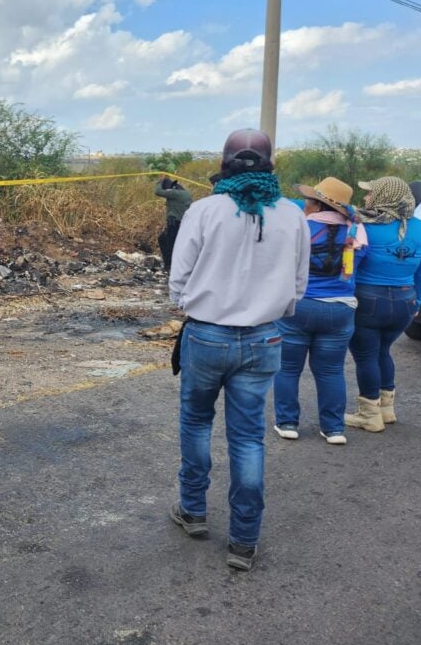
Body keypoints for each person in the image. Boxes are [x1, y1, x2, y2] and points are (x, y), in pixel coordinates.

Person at [168, 128, 309, 572]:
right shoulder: (293, 215)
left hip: (207, 336)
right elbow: (298, 286)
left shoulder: (204, 210)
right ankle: (243, 541)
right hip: (264, 337)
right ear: (271, 164)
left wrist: (198, 302)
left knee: (195, 423)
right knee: (248, 438)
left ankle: (193, 511)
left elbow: (179, 279)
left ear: (224, 163)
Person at [272, 178, 368, 445]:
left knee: (288, 369)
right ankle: (334, 428)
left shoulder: (301, 228)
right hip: (339, 310)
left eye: (308, 199)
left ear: (316, 204)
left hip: (299, 307)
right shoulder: (357, 232)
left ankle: (288, 423)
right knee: (331, 371)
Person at [345, 176, 421, 430]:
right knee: (383, 351)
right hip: (405, 301)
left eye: (371, 193)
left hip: (369, 299)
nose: (366, 198)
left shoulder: (364, 226)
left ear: (384, 195)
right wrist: (416, 302)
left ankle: (369, 415)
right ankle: (387, 409)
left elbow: (350, 265)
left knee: (365, 356)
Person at [154, 176, 193, 271]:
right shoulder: (185, 193)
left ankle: (170, 266)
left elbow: (158, 192)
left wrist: (160, 182)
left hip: (175, 223)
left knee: (170, 243)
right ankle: (173, 265)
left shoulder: (174, 193)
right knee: (165, 240)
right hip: (184, 223)